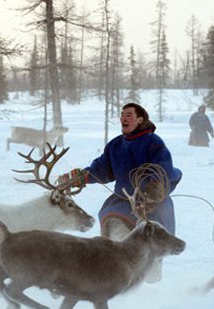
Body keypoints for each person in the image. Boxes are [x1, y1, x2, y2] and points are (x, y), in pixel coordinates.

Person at [58, 103, 182, 282]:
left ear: (140, 119)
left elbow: (162, 167)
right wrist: (81, 177)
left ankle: (152, 284)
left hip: (150, 201)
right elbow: (101, 169)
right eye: (122, 114)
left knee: (153, 240)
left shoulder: (153, 142)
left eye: (129, 115)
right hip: (123, 200)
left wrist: (154, 186)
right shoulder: (116, 144)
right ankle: (116, 278)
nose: (124, 118)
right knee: (112, 226)